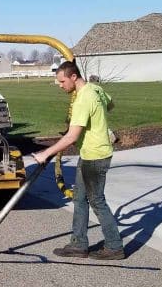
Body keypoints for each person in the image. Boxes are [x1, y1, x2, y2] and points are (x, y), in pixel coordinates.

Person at [33, 61, 125, 260]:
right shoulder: (96, 89)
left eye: (62, 81)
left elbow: (71, 137)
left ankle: (115, 247)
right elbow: (111, 104)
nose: (60, 85)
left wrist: (45, 154)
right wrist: (100, 122)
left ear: (73, 77)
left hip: (96, 156)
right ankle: (79, 245)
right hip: (89, 154)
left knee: (97, 202)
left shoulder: (84, 99)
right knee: (79, 199)